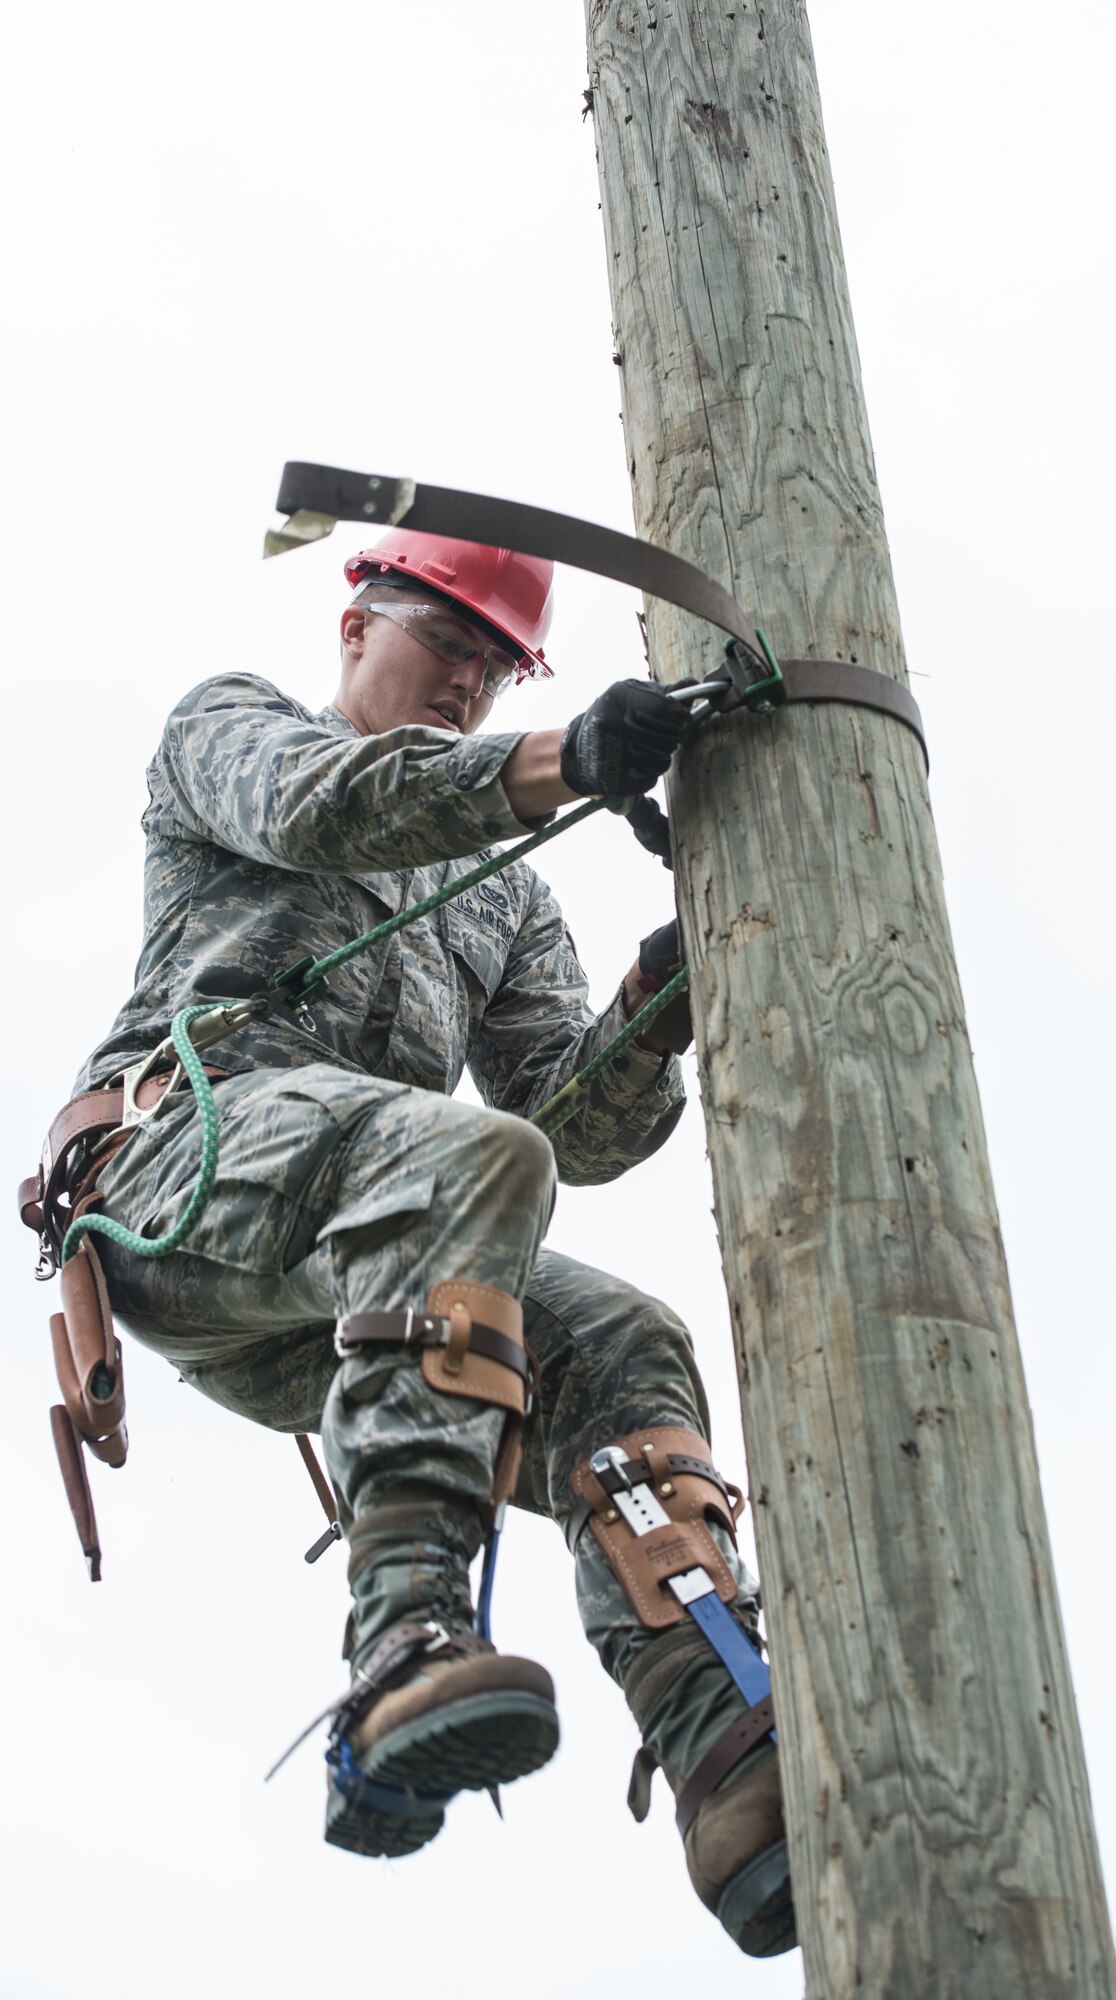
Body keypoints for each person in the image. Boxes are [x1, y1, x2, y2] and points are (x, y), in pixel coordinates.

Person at [63, 529, 793, 1958]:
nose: (466, 684)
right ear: (355, 626)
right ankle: (402, 1641)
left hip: (359, 1287)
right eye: (443, 645)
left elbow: (564, 1128)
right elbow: (335, 809)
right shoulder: (230, 730)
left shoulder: (508, 903)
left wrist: (671, 980)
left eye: (495, 666)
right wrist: (565, 759)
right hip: (178, 1179)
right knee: (460, 1156)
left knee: (623, 1341)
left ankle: (728, 1744)